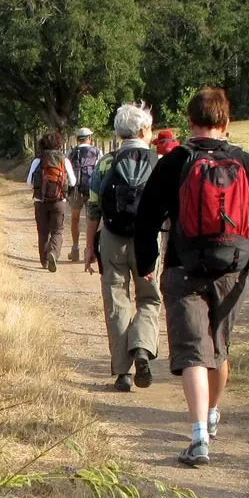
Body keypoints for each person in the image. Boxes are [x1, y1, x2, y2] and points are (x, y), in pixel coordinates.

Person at [134, 87, 249, 466]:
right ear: (226, 122)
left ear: (191, 122)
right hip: (232, 271)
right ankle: (211, 414)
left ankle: (198, 436)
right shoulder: (247, 163)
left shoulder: (175, 162)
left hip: (183, 267)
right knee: (218, 350)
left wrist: (145, 262)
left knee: (192, 351)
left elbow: (147, 219)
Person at [84, 104, 163, 392]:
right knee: (149, 298)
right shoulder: (159, 161)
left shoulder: (106, 163)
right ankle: (142, 348)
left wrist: (90, 246)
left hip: (112, 237)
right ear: (144, 131)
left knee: (117, 301)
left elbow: (94, 207)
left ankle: (122, 372)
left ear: (118, 132)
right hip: (148, 241)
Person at [26, 132, 75, 271]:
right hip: (59, 201)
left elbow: (29, 182)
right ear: (59, 144)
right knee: (57, 231)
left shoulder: (38, 160)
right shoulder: (64, 160)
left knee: (42, 232)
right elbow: (73, 181)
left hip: (40, 201)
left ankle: (44, 261)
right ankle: (53, 253)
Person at [67, 128, 103, 262]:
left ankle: (75, 249)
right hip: (93, 190)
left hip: (76, 190)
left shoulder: (71, 152)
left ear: (78, 139)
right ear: (89, 138)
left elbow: (67, 169)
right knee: (91, 220)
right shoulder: (97, 152)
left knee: (75, 219)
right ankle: (90, 249)